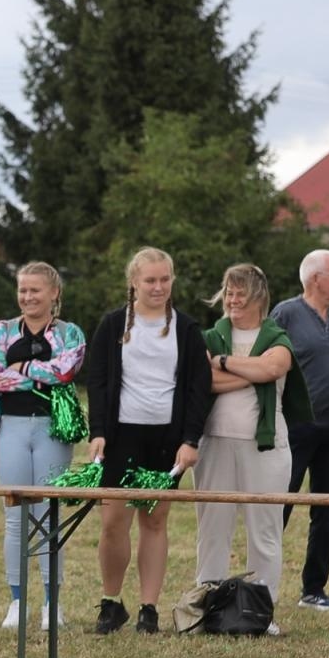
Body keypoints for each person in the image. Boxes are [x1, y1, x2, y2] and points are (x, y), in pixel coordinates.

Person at [86, 247, 212, 636]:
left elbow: (197, 388)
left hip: (167, 439)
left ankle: (148, 608)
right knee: (112, 522)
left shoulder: (187, 329)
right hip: (122, 435)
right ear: (134, 283)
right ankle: (111, 603)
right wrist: (99, 432)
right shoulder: (112, 325)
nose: (158, 287)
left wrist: (190, 440)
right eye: (150, 280)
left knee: (154, 521)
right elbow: (99, 380)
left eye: (164, 279)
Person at [196, 264, 309, 635]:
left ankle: (261, 612)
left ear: (258, 297)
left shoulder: (277, 336)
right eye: (228, 292)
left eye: (239, 293)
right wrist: (250, 371)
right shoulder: (212, 336)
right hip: (216, 442)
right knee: (213, 526)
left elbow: (273, 369)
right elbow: (204, 381)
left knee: (265, 530)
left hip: (267, 446)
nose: (231, 300)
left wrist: (228, 364)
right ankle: (207, 608)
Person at [0, 261, 86, 631]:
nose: (27, 297)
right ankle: (16, 601)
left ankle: (50, 603)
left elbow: (66, 371)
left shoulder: (69, 333)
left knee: (48, 516)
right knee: (15, 517)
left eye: (35, 290)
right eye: (23, 290)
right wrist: (39, 372)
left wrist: (21, 370)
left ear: (54, 293)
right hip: (10, 427)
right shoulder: (2, 331)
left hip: (51, 430)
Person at [271, 249, 329, 613]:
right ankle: (263, 584)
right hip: (297, 426)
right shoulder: (286, 313)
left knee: (327, 509)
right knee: (281, 504)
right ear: (314, 280)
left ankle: (314, 588)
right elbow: (271, 363)